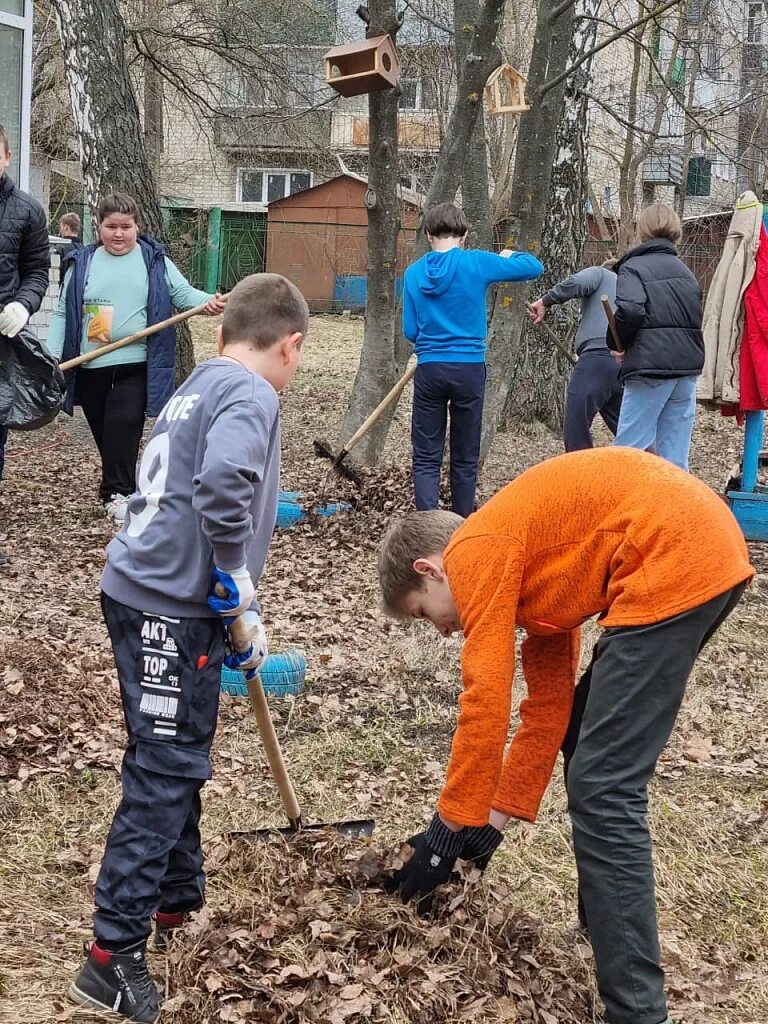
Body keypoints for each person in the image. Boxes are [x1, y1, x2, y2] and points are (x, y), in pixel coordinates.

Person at [377, 445, 753, 1024]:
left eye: (427, 613)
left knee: (604, 788)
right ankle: (605, 923)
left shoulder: (474, 550)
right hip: (698, 548)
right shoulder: (528, 570)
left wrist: (443, 834)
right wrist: (487, 829)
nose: (444, 630)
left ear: (431, 569)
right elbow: (547, 711)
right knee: (584, 739)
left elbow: (486, 703)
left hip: (672, 551)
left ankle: (636, 1012)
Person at [67, 273, 309, 1023]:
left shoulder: (201, 382)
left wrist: (226, 610)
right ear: (291, 346)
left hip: (151, 595)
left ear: (222, 330)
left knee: (179, 746)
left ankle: (175, 897)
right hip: (165, 608)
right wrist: (234, 574)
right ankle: (110, 958)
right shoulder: (252, 393)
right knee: (166, 765)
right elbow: (224, 481)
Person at [46, 192, 226, 523]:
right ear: (98, 226)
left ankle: (117, 494)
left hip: (135, 364)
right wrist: (52, 358)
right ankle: (122, 486)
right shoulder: (82, 262)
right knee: (107, 434)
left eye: (125, 227)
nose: (118, 234)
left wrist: (208, 303)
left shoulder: (152, 260)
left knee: (124, 423)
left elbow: (183, 294)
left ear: (137, 227)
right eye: (111, 226)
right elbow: (61, 314)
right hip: (91, 366)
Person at [403, 202, 544, 517]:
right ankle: (462, 525)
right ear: (464, 235)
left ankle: (428, 529)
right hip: (469, 371)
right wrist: (506, 255)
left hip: (430, 370)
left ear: (428, 235)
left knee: (426, 457)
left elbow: (410, 330)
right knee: (465, 456)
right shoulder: (477, 263)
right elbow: (534, 266)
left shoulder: (413, 274)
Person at [609, 204, 704, 470]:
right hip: (686, 371)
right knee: (675, 460)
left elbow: (630, 309)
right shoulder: (686, 273)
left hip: (649, 370)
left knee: (628, 453)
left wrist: (616, 341)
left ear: (642, 231)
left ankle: (622, 509)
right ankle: (675, 511)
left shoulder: (633, 267)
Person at [0, 123, 51, 566]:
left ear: (7, 157)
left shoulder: (28, 211)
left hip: (2, 342)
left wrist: (24, 305)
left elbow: (37, 270)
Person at [528, 259, 623, 450]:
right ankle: (657, 470)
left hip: (596, 358)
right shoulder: (632, 289)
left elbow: (576, 283)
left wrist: (545, 301)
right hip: (624, 364)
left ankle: (579, 472)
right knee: (630, 431)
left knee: (576, 426)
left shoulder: (600, 273)